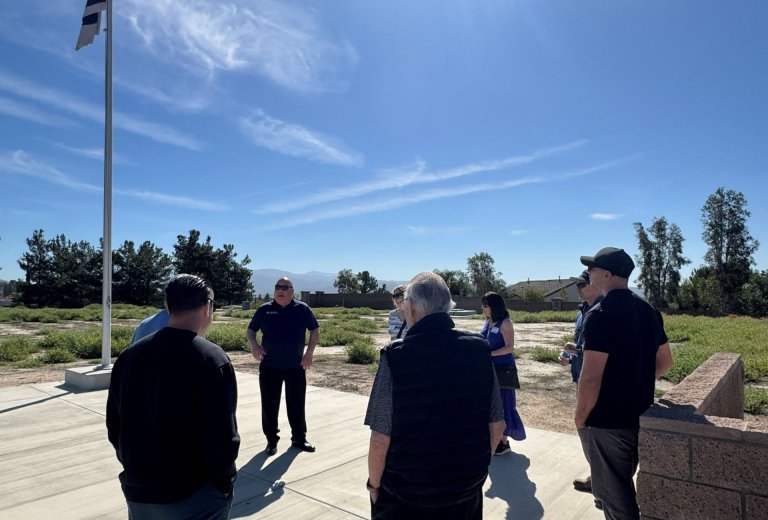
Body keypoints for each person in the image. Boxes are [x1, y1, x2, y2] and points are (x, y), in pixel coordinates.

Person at [365, 272, 506, 519]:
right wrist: (473, 475)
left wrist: (374, 486)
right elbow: (497, 426)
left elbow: (379, 440)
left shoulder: (395, 356)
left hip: (405, 497)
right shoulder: (479, 348)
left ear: (410, 306)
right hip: (465, 494)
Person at [106, 274, 240, 519]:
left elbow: (115, 425)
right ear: (208, 307)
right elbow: (223, 436)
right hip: (194, 496)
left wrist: (135, 469)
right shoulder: (211, 359)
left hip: (140, 492)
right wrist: (223, 484)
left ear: (168, 306)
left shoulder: (129, 356)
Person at [576, 247, 674, 519]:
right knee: (622, 486)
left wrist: (580, 416)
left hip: (607, 421)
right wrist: (637, 381)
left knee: (615, 499)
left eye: (593, 268)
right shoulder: (648, 310)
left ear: (606, 275)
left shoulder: (600, 314)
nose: (589, 273)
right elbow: (665, 362)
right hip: (639, 413)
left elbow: (591, 376)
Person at [247, 277, 320, 456]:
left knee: (296, 404)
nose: (280, 290)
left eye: (284, 287)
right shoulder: (265, 309)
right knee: (269, 405)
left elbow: (315, 331)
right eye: (277, 287)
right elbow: (251, 330)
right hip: (269, 367)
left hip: (295, 366)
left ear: (292, 291)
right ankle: (271, 441)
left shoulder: (302, 309)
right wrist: (255, 346)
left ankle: (299, 439)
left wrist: (309, 353)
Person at [559, 270, 604, 494]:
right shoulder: (582, 311)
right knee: (587, 427)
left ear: (596, 284)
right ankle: (597, 475)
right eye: (577, 286)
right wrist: (568, 356)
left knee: (593, 428)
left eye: (582, 285)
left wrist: (576, 349)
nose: (578, 289)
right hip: (582, 375)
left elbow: (603, 349)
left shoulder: (605, 311)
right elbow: (580, 341)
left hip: (597, 380)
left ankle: (601, 479)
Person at [481, 291, 526, 454]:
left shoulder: (505, 323)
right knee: (492, 402)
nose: (483, 308)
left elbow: (509, 347)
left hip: (503, 369)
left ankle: (504, 441)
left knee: (505, 402)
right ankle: (495, 436)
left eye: (485, 305)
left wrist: (489, 354)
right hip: (489, 369)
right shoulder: (487, 323)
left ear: (494, 306)